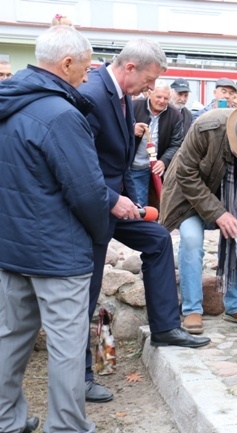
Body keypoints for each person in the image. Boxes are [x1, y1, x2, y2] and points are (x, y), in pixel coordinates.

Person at [79, 38, 210, 404]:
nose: (152, 88)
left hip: (114, 202)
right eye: (150, 79)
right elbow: (78, 162)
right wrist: (110, 200)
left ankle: (166, 327)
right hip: (89, 209)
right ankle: (80, 378)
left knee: (156, 239)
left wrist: (128, 200)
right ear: (131, 67)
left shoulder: (122, 96)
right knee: (84, 296)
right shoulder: (92, 93)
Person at [0, 25, 109, 433]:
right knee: (66, 346)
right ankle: (65, 426)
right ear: (66, 63)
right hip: (58, 252)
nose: (87, 74)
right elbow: (88, 192)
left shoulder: (8, 102)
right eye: (84, 66)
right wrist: (100, 235)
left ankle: (6, 420)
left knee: (9, 338)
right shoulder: (62, 114)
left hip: (10, 246)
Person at [159, 107, 237, 334]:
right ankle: (192, 308)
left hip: (236, 197)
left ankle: (234, 306)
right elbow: (185, 173)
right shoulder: (207, 128)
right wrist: (218, 213)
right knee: (191, 239)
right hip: (189, 195)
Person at [131, 79, 183, 207]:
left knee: (152, 205)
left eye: (166, 98)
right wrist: (131, 128)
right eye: (158, 96)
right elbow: (116, 129)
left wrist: (164, 161)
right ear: (149, 93)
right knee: (137, 204)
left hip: (155, 168)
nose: (162, 101)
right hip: (132, 164)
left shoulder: (175, 115)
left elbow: (176, 144)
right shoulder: (134, 106)